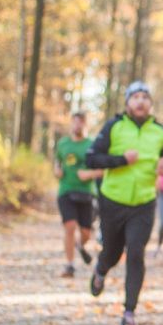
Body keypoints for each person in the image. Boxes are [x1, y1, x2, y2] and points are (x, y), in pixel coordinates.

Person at [85, 81, 163, 325]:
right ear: (127, 102)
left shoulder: (159, 131)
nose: (141, 101)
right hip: (113, 200)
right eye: (136, 97)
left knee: (135, 252)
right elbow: (91, 158)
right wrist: (121, 160)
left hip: (143, 203)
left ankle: (129, 313)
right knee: (112, 252)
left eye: (145, 97)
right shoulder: (114, 126)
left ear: (151, 103)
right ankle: (101, 270)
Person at [53, 111, 103, 278]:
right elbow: (57, 161)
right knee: (70, 227)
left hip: (86, 193)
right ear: (70, 124)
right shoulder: (63, 144)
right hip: (66, 191)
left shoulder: (92, 144)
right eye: (74, 122)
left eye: (80, 122)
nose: (77, 125)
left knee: (86, 233)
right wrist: (57, 170)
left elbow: (102, 170)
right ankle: (69, 265)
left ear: (85, 125)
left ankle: (80, 246)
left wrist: (88, 174)